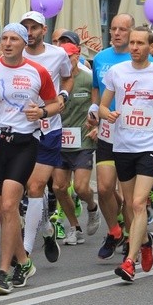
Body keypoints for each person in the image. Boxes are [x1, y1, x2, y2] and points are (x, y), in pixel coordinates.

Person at [0, 23, 60, 294]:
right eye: (4, 38)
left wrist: (41, 113)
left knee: (8, 205)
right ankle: (25, 262)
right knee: (7, 210)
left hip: (24, 143)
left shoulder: (37, 72)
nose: (7, 43)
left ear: (24, 42)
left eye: (14, 39)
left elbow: (54, 104)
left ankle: (4, 272)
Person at [99, 26, 153, 281]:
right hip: (122, 143)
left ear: (150, 46)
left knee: (137, 203)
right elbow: (102, 105)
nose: (134, 47)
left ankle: (129, 262)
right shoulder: (117, 72)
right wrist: (107, 114)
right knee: (128, 207)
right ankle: (144, 242)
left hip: (150, 143)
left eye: (140, 43)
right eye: (131, 43)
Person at [19, 10, 72, 264]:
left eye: (33, 28)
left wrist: (63, 96)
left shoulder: (58, 54)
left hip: (49, 126)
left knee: (36, 186)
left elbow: (68, 77)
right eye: (25, 27)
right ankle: (47, 231)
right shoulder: (13, 54)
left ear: (44, 30)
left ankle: (26, 250)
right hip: (19, 128)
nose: (29, 33)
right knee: (23, 188)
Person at [91, 13, 136, 260]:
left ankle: (132, 236)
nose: (117, 33)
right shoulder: (100, 58)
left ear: (132, 33)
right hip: (108, 131)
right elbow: (96, 92)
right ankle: (115, 231)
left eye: (122, 29)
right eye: (113, 29)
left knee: (129, 195)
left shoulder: (143, 58)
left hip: (134, 135)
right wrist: (94, 113)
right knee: (105, 187)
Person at [52, 42, 99, 246]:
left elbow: (100, 104)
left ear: (77, 56)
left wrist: (98, 124)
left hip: (83, 139)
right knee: (59, 187)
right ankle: (74, 227)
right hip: (59, 140)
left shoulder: (88, 79)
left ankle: (92, 206)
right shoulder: (54, 79)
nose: (66, 61)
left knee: (80, 187)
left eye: (69, 57)